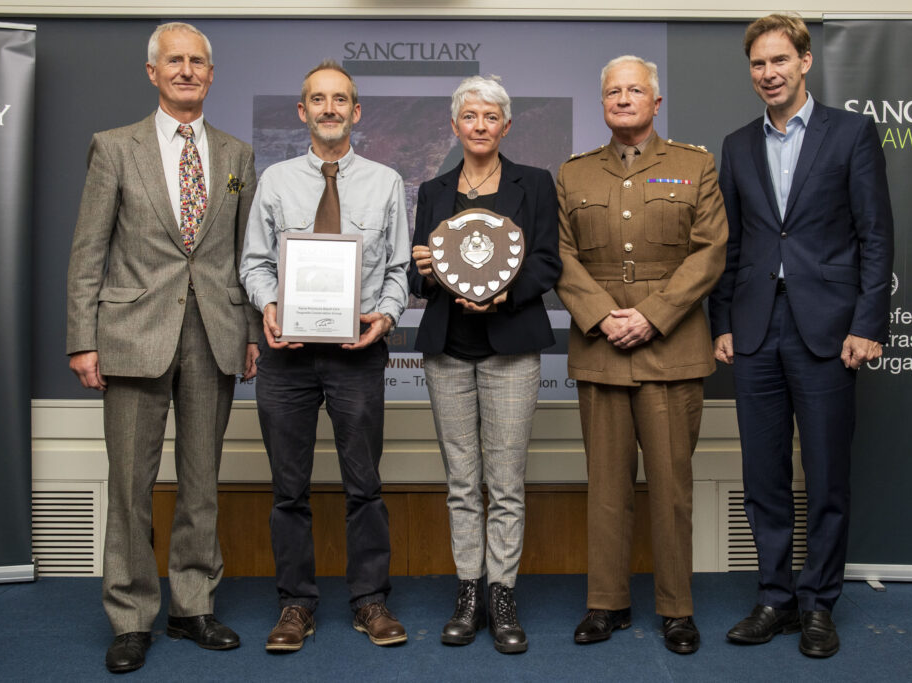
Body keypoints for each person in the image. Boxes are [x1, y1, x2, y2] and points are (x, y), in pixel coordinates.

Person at [65, 22, 258, 673]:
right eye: (173, 61)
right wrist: (82, 339)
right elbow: (88, 250)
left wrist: (251, 331)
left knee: (202, 480)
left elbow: (242, 253)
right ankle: (129, 616)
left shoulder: (236, 156)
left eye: (196, 61)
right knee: (130, 485)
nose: (185, 70)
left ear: (210, 73)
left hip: (215, 334)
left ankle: (192, 605)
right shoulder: (114, 149)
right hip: (131, 338)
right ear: (153, 73)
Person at [709, 14, 893, 658]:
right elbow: (728, 247)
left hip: (828, 328)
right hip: (756, 329)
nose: (769, 73)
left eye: (780, 60)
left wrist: (868, 325)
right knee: (762, 473)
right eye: (758, 64)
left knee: (826, 473)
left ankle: (819, 604)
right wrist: (723, 321)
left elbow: (876, 236)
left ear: (805, 61)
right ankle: (775, 598)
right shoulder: (735, 145)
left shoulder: (851, 133)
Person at [555, 55, 728, 654]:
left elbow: (709, 253)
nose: (623, 99)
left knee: (671, 487)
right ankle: (606, 603)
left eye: (635, 90)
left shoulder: (694, 165)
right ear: (602, 103)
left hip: (672, 350)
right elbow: (562, 258)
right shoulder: (572, 174)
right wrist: (605, 316)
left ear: (657, 103)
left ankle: (677, 608)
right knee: (605, 488)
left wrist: (651, 316)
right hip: (601, 350)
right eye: (612, 91)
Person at [239, 61, 410, 652]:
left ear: (356, 112)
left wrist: (384, 317)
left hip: (356, 354)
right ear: (303, 111)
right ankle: (295, 605)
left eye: (341, 100)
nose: (330, 109)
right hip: (285, 359)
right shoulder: (276, 181)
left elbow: (399, 270)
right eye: (319, 99)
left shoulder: (386, 181)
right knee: (289, 490)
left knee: (365, 485)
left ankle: (370, 602)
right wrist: (268, 305)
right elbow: (254, 263)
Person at [408, 75, 561, 654]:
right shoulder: (433, 189)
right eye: (469, 116)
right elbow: (419, 278)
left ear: (505, 126)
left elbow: (548, 264)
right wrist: (423, 268)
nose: (479, 125)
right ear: (455, 126)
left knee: (505, 482)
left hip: (511, 348)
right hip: (448, 351)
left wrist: (507, 293)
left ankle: (502, 591)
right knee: (461, 483)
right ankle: (467, 590)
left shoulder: (535, 184)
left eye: (490, 117)